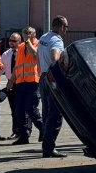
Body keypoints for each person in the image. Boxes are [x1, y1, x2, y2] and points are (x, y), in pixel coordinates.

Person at [38, 15, 69, 158]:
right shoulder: (56, 40)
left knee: (46, 112)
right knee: (55, 114)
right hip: (52, 78)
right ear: (61, 26)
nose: (66, 31)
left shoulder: (44, 37)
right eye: (66, 27)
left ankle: (46, 145)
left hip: (43, 76)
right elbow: (55, 57)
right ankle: (49, 147)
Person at [9, 27, 44, 145]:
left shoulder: (39, 44)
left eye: (29, 33)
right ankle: (23, 136)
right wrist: (11, 81)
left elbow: (35, 55)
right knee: (19, 111)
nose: (27, 36)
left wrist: (28, 41)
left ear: (34, 34)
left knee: (31, 109)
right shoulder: (21, 47)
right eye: (25, 34)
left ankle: (43, 128)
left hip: (33, 82)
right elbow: (17, 66)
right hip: (20, 83)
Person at [1, 32, 22, 139]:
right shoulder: (6, 54)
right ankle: (16, 131)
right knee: (14, 109)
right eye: (10, 41)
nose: (11, 43)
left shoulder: (23, 53)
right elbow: (1, 69)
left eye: (14, 41)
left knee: (22, 109)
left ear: (19, 42)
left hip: (21, 83)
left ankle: (25, 130)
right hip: (10, 84)